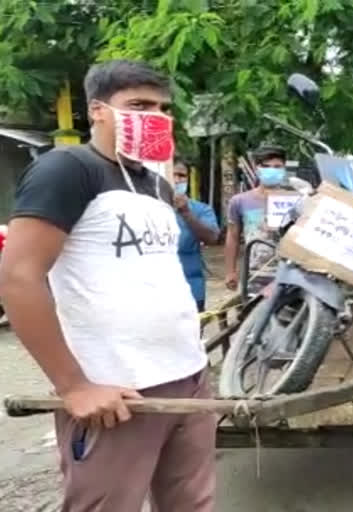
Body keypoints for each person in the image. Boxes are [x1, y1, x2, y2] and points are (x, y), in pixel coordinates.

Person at [0, 60, 215, 511]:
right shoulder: (69, 168)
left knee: (192, 502)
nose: (153, 117)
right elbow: (19, 276)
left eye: (161, 108)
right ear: (98, 110)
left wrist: (197, 370)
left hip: (188, 376)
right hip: (118, 392)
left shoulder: (153, 185)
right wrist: (74, 386)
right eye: (137, 105)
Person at [224, 145, 287, 292]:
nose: (272, 170)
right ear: (256, 168)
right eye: (266, 166)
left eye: (277, 167)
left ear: (284, 169)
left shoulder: (295, 200)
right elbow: (232, 236)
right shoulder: (239, 201)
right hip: (253, 275)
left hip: (287, 276)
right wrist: (230, 271)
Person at [172, 158, 220, 312]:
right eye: (172, 175)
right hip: (153, 292)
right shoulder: (147, 208)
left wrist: (186, 212)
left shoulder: (201, 210)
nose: (177, 180)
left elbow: (212, 238)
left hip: (191, 289)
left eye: (181, 176)